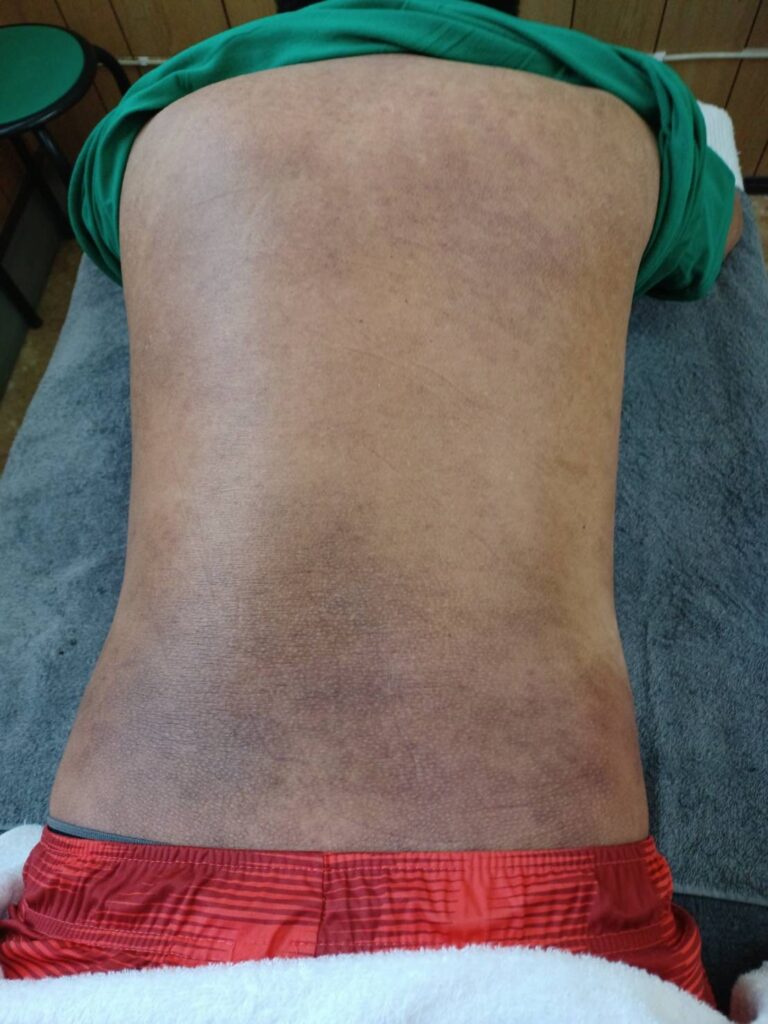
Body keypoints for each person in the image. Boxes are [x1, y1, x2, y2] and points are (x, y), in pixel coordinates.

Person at [0, 0, 741, 1004]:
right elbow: (718, 236)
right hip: (540, 910)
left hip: (126, 907)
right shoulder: (621, 117)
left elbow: (114, 250)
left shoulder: (150, 132)